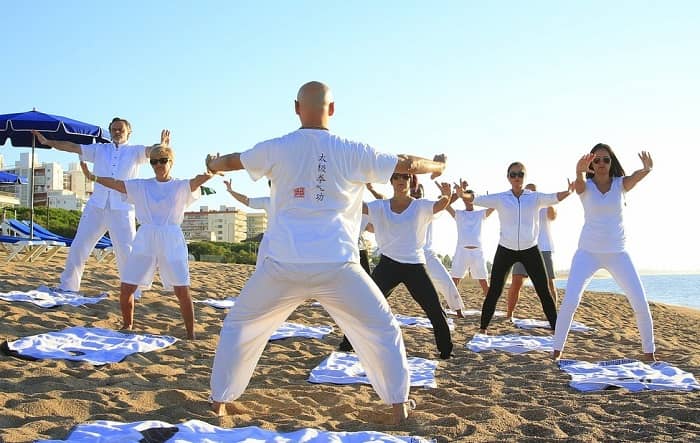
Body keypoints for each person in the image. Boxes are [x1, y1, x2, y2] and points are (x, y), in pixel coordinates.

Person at [205, 81, 447, 424]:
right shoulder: (351, 149)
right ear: (332, 110)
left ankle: (219, 402)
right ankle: (399, 406)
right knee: (381, 328)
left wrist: (213, 163)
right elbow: (407, 162)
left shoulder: (277, 147)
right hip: (337, 265)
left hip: (282, 265)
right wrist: (438, 167)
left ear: (296, 108)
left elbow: (233, 161)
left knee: (240, 326)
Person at [82, 144, 213, 339]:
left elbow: (197, 181)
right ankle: (127, 325)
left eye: (162, 160)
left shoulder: (179, 185)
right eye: (154, 161)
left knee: (181, 288)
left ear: (171, 162)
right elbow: (117, 183)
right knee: (127, 286)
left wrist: (211, 170)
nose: (158, 164)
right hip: (146, 236)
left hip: (171, 237)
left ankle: (190, 333)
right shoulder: (142, 185)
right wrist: (93, 177)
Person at [31, 120, 166, 294]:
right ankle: (68, 286)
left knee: (126, 251)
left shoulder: (135, 151)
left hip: (122, 208)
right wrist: (49, 142)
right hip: (96, 206)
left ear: (129, 132)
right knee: (79, 246)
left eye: (121, 129)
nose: (117, 132)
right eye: (114, 129)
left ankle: (134, 291)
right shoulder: (100, 149)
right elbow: (72, 147)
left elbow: (153, 151)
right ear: (110, 131)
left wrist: (162, 145)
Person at [553, 145, 656, 362]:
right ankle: (556, 352)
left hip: (618, 254)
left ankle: (649, 354)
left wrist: (646, 169)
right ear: (591, 163)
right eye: (597, 160)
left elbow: (635, 177)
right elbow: (578, 185)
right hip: (587, 253)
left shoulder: (620, 185)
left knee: (639, 301)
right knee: (571, 300)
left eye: (605, 160)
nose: (601, 164)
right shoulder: (585, 186)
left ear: (611, 162)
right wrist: (579, 171)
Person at [338, 174, 456, 358]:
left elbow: (440, 205)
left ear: (410, 182)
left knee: (434, 307)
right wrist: (342, 188)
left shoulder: (420, 205)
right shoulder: (380, 206)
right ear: (391, 181)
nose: (401, 180)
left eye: (405, 177)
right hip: (388, 265)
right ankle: (347, 343)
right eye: (396, 177)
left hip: (414, 266)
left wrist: (447, 195)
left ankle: (446, 350)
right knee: (367, 304)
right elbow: (358, 206)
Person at [461, 162, 574, 334]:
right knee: (495, 291)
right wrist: (462, 193)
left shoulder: (534, 197)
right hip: (506, 249)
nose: (516, 178)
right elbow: (475, 198)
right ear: (508, 177)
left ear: (524, 177)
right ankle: (483, 328)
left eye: (520, 174)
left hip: (530, 249)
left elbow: (554, 197)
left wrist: (569, 191)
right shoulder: (501, 198)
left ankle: (556, 327)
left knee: (543, 289)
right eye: (513, 174)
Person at [364, 180, 466, 316]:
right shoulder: (399, 206)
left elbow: (447, 201)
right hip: (404, 256)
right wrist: (371, 188)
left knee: (445, 280)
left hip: (427, 254)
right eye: (414, 191)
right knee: (376, 293)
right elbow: (383, 201)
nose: (416, 194)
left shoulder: (426, 206)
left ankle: (458, 310)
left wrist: (458, 193)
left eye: (419, 192)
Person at [506, 183, 558, 319]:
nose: (529, 193)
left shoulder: (544, 205)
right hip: (522, 248)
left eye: (532, 191)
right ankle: (509, 313)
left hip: (543, 248)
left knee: (548, 283)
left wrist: (549, 201)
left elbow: (553, 216)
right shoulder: (519, 207)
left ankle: (553, 315)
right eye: (527, 191)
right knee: (516, 282)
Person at [447, 180, 494, 298]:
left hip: (477, 251)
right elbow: (446, 205)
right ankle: (449, 305)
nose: (468, 201)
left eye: (470, 198)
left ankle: (490, 307)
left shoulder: (480, 214)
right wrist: (459, 193)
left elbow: (493, 207)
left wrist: (486, 200)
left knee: (484, 282)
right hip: (461, 250)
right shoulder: (459, 214)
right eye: (466, 198)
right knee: (454, 281)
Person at [223, 178, 271, 268]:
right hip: (270, 239)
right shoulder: (268, 201)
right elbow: (246, 200)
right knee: (261, 268)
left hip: (286, 239)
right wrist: (231, 191)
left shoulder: (291, 200)